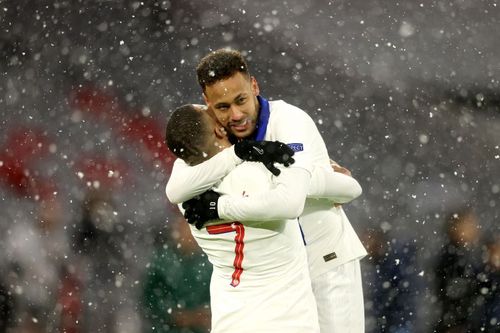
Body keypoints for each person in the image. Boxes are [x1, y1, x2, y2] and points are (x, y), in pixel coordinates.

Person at [165, 49, 367, 332]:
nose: (235, 115)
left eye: (241, 100)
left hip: (324, 262)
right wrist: (240, 154)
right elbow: (175, 188)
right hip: (273, 280)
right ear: (207, 104)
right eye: (223, 107)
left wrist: (219, 205)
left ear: (255, 87)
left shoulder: (289, 121)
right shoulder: (211, 134)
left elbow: (295, 199)